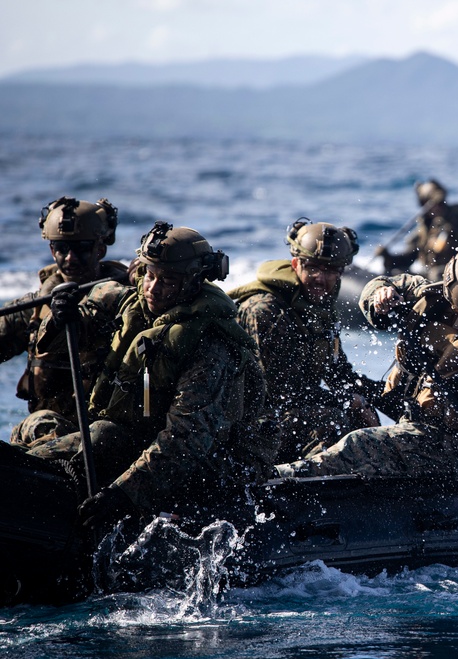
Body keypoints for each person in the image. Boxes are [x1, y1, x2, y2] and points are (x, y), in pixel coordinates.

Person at [26, 221, 274, 531]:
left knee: (102, 435)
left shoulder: (210, 345)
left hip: (205, 464)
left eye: (167, 281)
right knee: (37, 423)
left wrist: (122, 495)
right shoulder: (136, 305)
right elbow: (78, 330)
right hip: (138, 440)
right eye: (150, 276)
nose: (153, 289)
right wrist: (61, 318)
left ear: (193, 282)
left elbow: (186, 439)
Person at [274, 244, 458, 479]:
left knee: (361, 444)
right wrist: (379, 296)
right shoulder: (427, 296)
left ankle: (283, 477)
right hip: (415, 412)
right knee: (351, 397)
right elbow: (381, 285)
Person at [229, 218, 380, 462]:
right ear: (296, 263)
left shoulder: (319, 309)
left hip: (289, 410)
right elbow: (281, 393)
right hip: (249, 419)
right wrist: (348, 402)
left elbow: (339, 374)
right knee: (332, 421)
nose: (321, 278)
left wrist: (382, 396)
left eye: (330, 270)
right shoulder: (265, 310)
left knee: (360, 415)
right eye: (312, 268)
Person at [0, 197, 128, 448]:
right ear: (51, 250)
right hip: (47, 432)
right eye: (61, 248)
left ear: (100, 249)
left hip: (107, 435)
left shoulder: (129, 301)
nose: (70, 258)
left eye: (81, 248)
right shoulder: (35, 308)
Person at [377, 180, 458, 281]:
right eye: (430, 203)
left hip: (455, 273)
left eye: (440, 203)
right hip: (429, 274)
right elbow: (408, 258)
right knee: (395, 273)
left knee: (437, 274)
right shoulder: (425, 228)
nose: (436, 207)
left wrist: (448, 227)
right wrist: (387, 256)